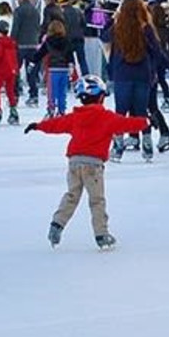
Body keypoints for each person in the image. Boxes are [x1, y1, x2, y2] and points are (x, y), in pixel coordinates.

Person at [24, 75, 149, 251]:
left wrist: (38, 126)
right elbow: (128, 123)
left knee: (72, 196)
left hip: (74, 163)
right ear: (101, 97)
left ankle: (57, 224)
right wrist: (147, 122)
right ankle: (101, 235)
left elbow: (56, 124)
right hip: (93, 166)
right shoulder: (107, 117)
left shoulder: (75, 117)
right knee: (97, 200)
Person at [104, 0, 169, 162]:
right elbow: (157, 52)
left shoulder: (118, 28)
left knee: (120, 112)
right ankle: (147, 145)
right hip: (142, 74)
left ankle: (118, 147)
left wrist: (113, 19)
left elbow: (104, 37)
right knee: (141, 111)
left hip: (123, 75)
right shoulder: (146, 28)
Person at [32, 20, 72, 118]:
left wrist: (33, 62)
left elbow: (40, 53)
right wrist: (71, 65)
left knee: (52, 92)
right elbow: (69, 55)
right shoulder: (67, 41)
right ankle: (62, 111)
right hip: (64, 69)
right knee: (62, 92)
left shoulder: (49, 41)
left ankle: (51, 109)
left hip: (53, 69)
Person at [0, 20, 20, 126]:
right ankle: (13, 111)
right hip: (12, 70)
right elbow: (15, 57)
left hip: (2, 70)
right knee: (10, 91)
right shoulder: (12, 43)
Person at [12, 0, 41, 105]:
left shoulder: (19, 11)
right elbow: (38, 26)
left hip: (20, 45)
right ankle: (33, 95)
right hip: (33, 44)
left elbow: (16, 27)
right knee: (31, 71)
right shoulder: (35, 10)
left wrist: (12, 41)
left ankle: (15, 94)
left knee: (15, 70)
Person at [60, 0, 89, 76]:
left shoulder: (61, 13)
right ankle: (86, 77)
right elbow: (84, 24)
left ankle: (70, 78)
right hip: (79, 38)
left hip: (68, 39)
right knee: (82, 60)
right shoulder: (78, 11)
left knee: (69, 61)